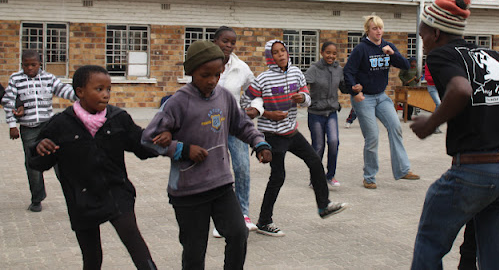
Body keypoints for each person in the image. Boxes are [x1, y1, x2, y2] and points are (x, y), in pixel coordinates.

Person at [410, 0, 499, 269]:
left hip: (473, 171)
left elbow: (461, 90)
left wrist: (430, 124)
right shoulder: (494, 55)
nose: (422, 41)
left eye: (423, 34)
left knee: (430, 241)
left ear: (436, 32)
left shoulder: (441, 55)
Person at [142, 41, 272, 269]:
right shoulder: (178, 102)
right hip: (188, 191)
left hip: (221, 184)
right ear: (192, 72)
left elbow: (242, 124)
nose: (212, 80)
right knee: (194, 251)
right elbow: (148, 139)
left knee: (238, 234)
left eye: (217, 74)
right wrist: (182, 149)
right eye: (205, 75)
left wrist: (259, 143)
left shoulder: (224, 97)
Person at [29, 65, 158, 269]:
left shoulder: (118, 118)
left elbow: (141, 146)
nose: (106, 94)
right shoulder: (60, 124)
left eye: (108, 89)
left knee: (136, 245)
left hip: (116, 192)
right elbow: (39, 163)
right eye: (99, 89)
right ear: (80, 92)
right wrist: (39, 148)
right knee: (92, 257)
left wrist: (161, 140)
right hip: (82, 198)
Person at [241, 39, 348, 237]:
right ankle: (264, 221)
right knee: (278, 176)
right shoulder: (262, 80)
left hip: (292, 131)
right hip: (273, 135)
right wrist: (268, 114)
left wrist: (302, 98)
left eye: (283, 50)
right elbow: (244, 105)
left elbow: (307, 97)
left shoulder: (297, 73)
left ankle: (323, 206)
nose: (281, 54)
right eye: (275, 52)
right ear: (269, 57)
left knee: (315, 162)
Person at [343, 15, 420, 189]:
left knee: (396, 127)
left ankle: (403, 170)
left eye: (380, 28)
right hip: (364, 98)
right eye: (374, 28)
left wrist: (393, 54)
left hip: (381, 96)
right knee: (372, 136)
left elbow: (405, 65)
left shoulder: (387, 46)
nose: (378, 31)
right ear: (368, 31)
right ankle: (369, 177)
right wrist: (355, 92)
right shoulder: (361, 49)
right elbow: (348, 71)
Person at [1, 49, 76, 212]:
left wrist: (81, 96)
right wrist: (12, 125)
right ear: (21, 64)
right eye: (26, 65)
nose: (29, 68)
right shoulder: (16, 79)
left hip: (49, 126)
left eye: (33, 65)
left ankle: (73, 195)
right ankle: (37, 198)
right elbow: (8, 102)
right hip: (28, 128)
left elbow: (63, 90)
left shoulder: (48, 78)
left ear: (40, 64)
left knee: (60, 160)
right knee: (33, 164)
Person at [211, 26, 265, 236]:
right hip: (211, 126)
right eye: (225, 41)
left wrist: (256, 108)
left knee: (242, 167)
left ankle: (243, 214)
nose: (229, 45)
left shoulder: (241, 68)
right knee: (218, 171)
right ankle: (221, 220)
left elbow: (256, 92)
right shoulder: (204, 63)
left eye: (232, 42)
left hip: (235, 124)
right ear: (215, 41)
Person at [305, 41, 349, 187]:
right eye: (328, 52)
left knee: (334, 142)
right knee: (318, 146)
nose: (331, 56)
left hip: (331, 112)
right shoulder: (314, 69)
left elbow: (344, 87)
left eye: (334, 53)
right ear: (322, 53)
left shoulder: (339, 70)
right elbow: (302, 84)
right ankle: (315, 179)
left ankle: (330, 176)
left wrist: (354, 87)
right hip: (316, 113)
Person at [423, 63, 442, 134]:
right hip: (432, 87)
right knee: (439, 104)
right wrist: (437, 78)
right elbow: (427, 77)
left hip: (440, 87)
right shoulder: (429, 64)